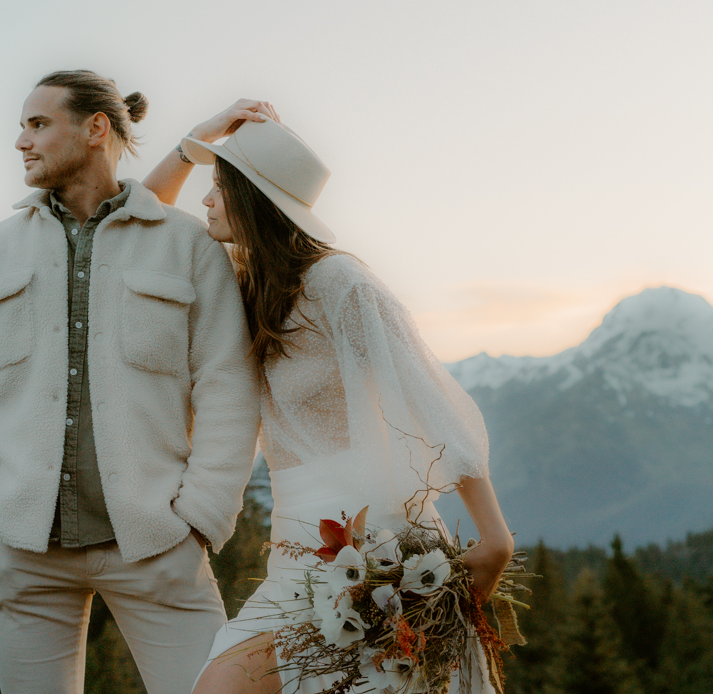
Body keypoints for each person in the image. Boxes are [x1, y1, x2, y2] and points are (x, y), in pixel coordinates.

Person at [139, 101, 514, 694]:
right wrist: (199, 139)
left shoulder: (342, 284)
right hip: (296, 553)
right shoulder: (243, 287)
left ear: (255, 199)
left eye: (217, 188)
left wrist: (494, 537)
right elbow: (142, 223)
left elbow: (434, 403)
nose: (204, 201)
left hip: (378, 551)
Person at [0, 71, 263, 694]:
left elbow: (227, 385)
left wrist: (202, 517)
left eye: (37, 124)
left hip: (158, 544)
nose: (20, 141)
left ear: (95, 129)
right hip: (20, 549)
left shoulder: (187, 246)